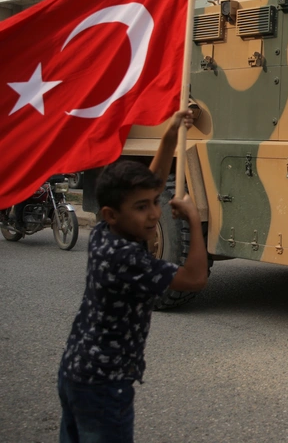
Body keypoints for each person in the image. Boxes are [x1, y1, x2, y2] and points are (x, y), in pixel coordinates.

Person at [57, 109, 208, 442]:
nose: (154, 213)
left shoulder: (105, 232)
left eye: (154, 202)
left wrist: (169, 134)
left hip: (76, 372)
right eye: (143, 207)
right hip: (103, 386)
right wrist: (194, 221)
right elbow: (194, 278)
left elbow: (150, 183)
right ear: (112, 214)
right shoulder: (125, 257)